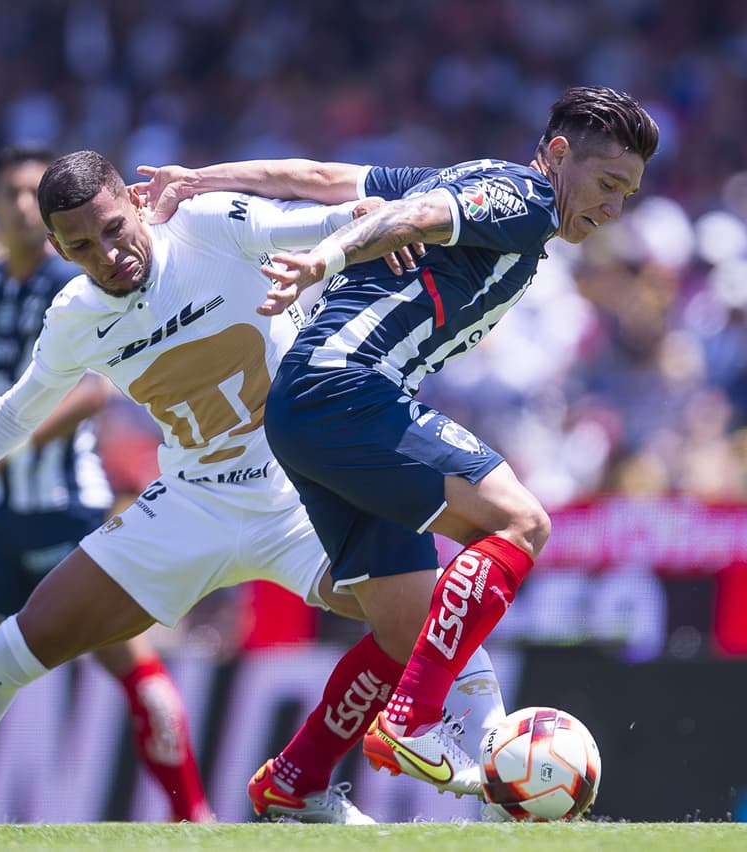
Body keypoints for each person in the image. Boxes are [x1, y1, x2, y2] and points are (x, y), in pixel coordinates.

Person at [0, 149, 507, 828]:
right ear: (58, 249)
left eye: (115, 228)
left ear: (138, 204)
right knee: (18, 646)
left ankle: (495, 788)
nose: (108, 254)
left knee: (433, 617)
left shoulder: (210, 227)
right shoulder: (75, 317)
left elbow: (313, 219)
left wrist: (364, 219)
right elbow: (13, 415)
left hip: (298, 497)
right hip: (190, 507)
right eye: (80, 246)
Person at [138, 85, 659, 795]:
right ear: (559, 154)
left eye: (626, 192)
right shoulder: (525, 200)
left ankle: (296, 781)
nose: (612, 208)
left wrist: (198, 178)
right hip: (347, 391)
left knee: (404, 629)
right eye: (606, 184)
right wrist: (322, 260)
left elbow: (318, 178)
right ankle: (412, 720)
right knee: (521, 522)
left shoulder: (473, 174)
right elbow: (416, 216)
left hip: (304, 409)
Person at [0, 144, 209, 823]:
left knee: (132, 667)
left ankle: (194, 817)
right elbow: (0, 382)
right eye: (11, 195)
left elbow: (92, 392)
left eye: (32, 196)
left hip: (68, 506)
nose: (23, 208)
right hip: (0, 514)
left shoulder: (79, 288)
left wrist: (15, 442)